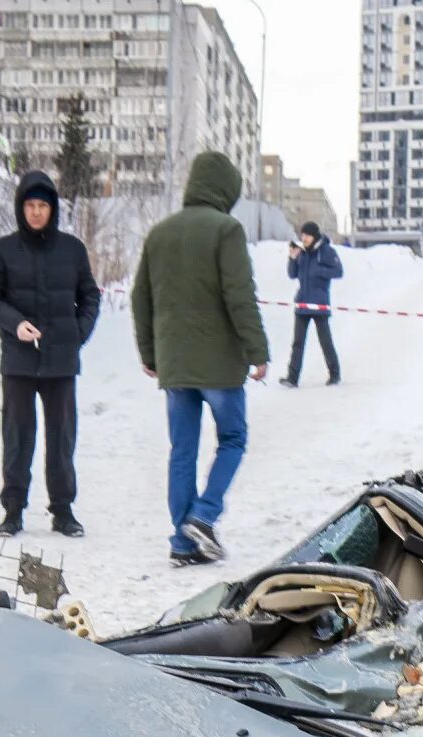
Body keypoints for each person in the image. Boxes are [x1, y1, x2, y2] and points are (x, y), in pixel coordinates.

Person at [132, 149, 269, 566]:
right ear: (226, 190)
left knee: (182, 451)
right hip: (219, 366)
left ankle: (181, 542)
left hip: (175, 366)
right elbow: (239, 295)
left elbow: (142, 298)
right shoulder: (226, 230)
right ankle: (204, 516)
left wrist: (150, 353)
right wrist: (257, 350)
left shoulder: (159, 233)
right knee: (233, 439)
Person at [0, 170, 101, 539]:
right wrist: (15, 323)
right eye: (29, 205)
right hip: (19, 360)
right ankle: (13, 510)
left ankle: (63, 510)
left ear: (52, 209)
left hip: (61, 361)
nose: (35, 212)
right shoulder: (2, 250)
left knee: (62, 437)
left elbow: (90, 296)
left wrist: (79, 332)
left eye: (42, 205)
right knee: (17, 435)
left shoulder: (72, 249)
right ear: (20, 208)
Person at [283, 221, 343, 388]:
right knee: (297, 343)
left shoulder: (326, 251)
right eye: (302, 235)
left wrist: (320, 271)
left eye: (307, 235)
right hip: (302, 303)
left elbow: (338, 272)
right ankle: (292, 378)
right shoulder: (302, 253)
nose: (304, 238)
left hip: (320, 304)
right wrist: (292, 258)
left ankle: (334, 374)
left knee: (325, 341)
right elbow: (292, 274)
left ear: (314, 235)